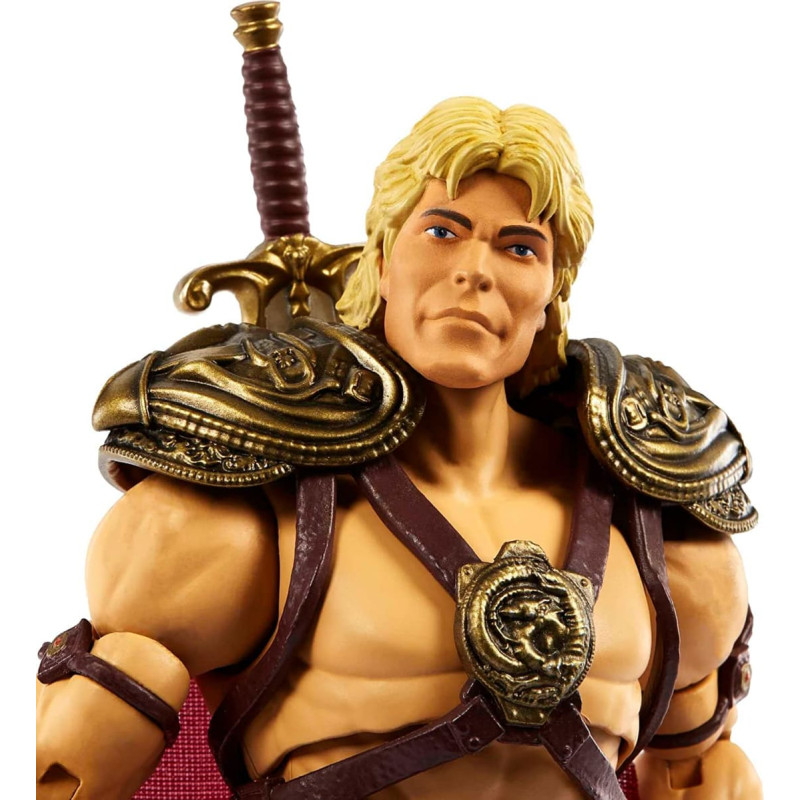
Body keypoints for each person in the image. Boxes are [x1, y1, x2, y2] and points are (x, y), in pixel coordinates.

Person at [36, 97, 761, 799]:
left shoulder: (663, 545)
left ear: (552, 295)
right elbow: (71, 769)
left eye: (519, 247)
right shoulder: (231, 528)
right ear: (380, 262)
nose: (475, 271)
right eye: (442, 231)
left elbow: (700, 776)